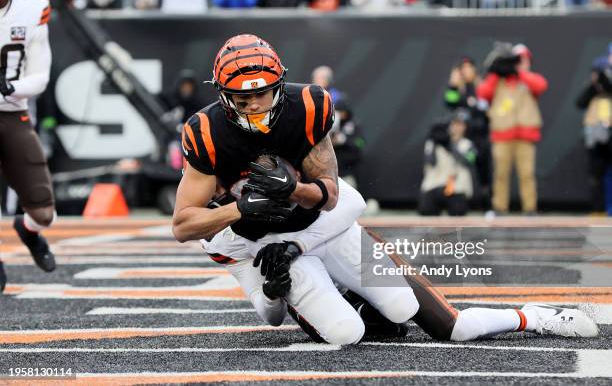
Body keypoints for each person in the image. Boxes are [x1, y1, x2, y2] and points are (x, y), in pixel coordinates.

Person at [173, 34, 597, 344]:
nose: (254, 107)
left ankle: (533, 316)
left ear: (279, 84)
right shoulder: (207, 132)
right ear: (222, 95)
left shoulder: (308, 106)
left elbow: (333, 196)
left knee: (434, 319)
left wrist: (294, 191)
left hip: (315, 226)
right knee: (341, 331)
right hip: (257, 244)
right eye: (241, 99)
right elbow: (183, 225)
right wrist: (243, 208)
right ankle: (342, 303)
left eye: (263, 95)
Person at [0, 0, 57, 293]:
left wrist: (13, 88)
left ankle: (28, 231)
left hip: (11, 112)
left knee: (44, 212)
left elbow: (40, 75)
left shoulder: (31, 8)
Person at [477, 43, 548, 215]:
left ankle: (530, 208)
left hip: (525, 135)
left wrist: (519, 73)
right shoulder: (498, 80)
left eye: (523, 60)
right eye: (517, 60)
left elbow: (542, 85)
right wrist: (496, 72)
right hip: (502, 135)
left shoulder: (529, 79)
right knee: (501, 174)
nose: (521, 63)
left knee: (527, 174)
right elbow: (482, 93)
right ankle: (500, 207)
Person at [445, 57, 490, 206]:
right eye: (462, 68)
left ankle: (487, 206)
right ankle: (459, 203)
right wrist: (453, 84)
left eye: (468, 67)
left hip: (479, 139)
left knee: (483, 172)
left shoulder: (481, 86)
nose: (465, 70)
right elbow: (450, 104)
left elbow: (484, 113)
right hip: (463, 140)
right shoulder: (458, 89)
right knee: (460, 169)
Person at [419, 109, 477, 216]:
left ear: (465, 127)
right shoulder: (433, 142)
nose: (457, 128)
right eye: (454, 124)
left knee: (458, 212)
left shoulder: (469, 145)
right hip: (434, 186)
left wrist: (450, 146)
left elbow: (467, 161)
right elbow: (430, 163)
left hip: (456, 187)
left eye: (460, 124)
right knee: (426, 211)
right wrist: (436, 142)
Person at [576, 44, 612, 213]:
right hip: (597, 131)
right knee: (596, 173)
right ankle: (598, 209)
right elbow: (580, 102)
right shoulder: (594, 88)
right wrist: (595, 85)